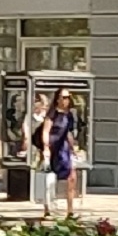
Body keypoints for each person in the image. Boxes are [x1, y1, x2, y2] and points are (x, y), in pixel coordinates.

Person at [41, 88, 82, 222]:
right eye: (63, 97)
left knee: (72, 178)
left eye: (68, 97)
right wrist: (46, 147)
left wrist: (73, 147)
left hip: (64, 149)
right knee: (50, 180)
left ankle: (70, 211)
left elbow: (68, 132)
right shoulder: (52, 114)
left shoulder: (68, 115)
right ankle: (47, 209)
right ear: (57, 99)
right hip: (53, 148)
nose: (66, 100)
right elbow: (46, 131)